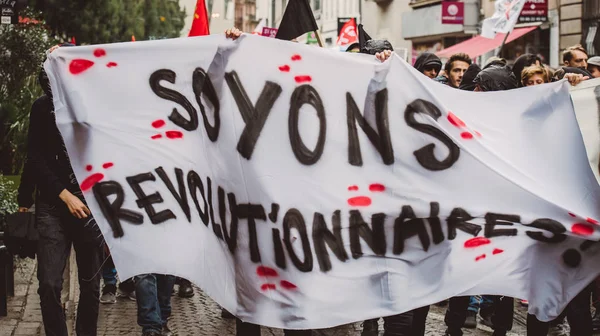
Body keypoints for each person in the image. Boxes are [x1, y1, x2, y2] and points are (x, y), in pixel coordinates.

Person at [28, 43, 104, 336]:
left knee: (90, 283)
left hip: (89, 206)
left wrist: (73, 50)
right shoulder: (41, 108)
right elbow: (34, 158)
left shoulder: (94, 107)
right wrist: (63, 194)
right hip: (52, 206)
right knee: (48, 284)